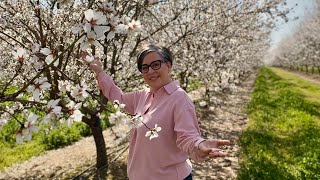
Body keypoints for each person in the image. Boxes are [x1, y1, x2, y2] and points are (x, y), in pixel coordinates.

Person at [89, 44, 231, 180]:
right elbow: (118, 98)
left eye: (156, 64)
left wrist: (200, 145)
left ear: (168, 65)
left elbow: (187, 136)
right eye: (145, 68)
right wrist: (99, 72)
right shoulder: (142, 96)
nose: (150, 71)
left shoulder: (179, 98)